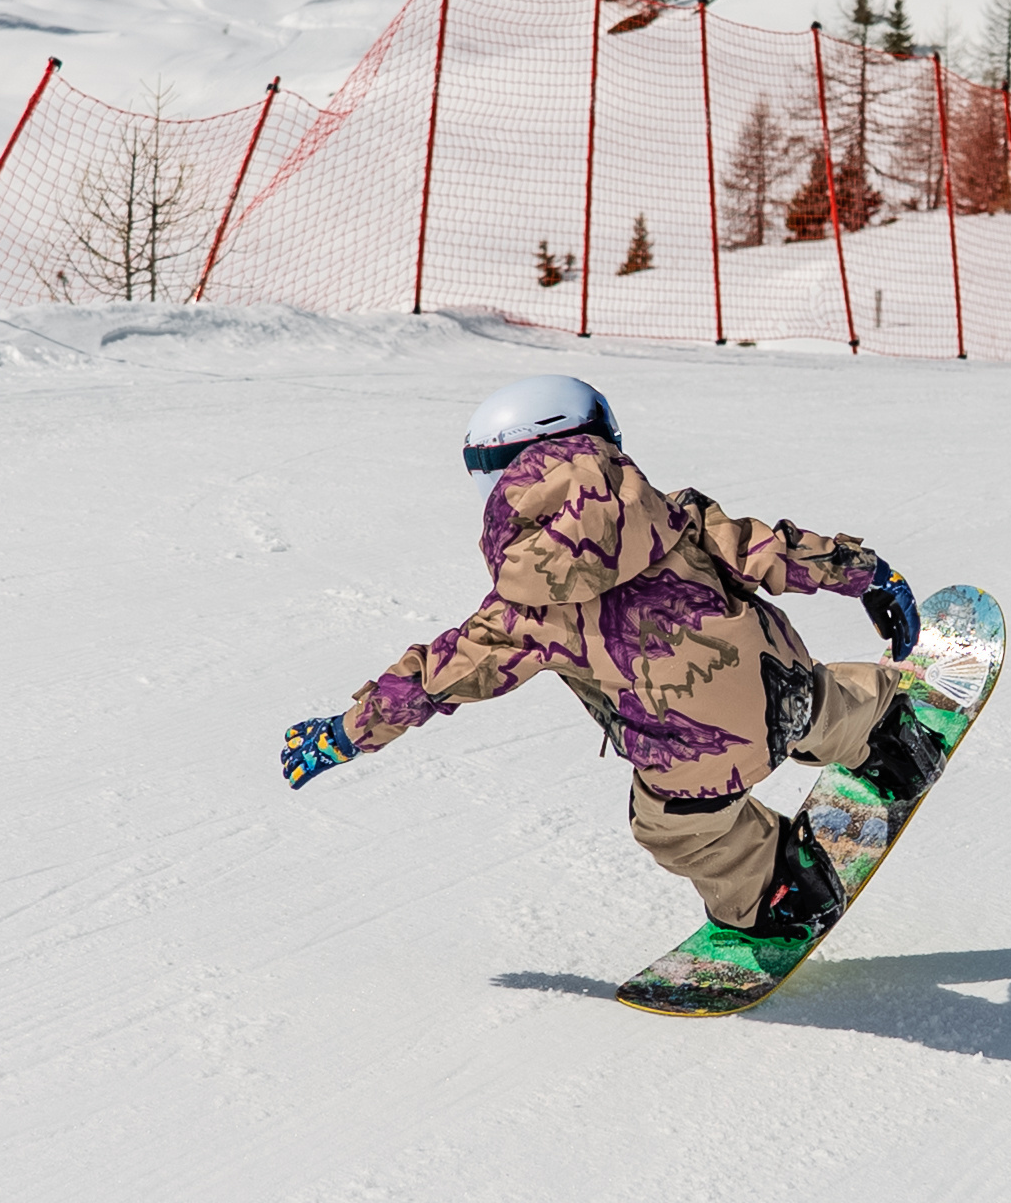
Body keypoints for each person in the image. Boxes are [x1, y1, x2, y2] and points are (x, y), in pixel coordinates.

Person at [279, 376, 937, 941]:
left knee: (678, 830)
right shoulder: (677, 514)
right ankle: (890, 728)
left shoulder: (522, 613)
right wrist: (871, 575)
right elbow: (775, 551)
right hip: (784, 684)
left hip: (692, 758)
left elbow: (432, 680)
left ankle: (775, 890)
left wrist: (347, 730)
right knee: (821, 705)